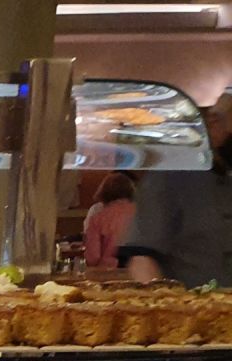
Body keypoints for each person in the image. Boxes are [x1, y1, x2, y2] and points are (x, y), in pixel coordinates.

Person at [121, 93, 232, 287]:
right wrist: (164, 300)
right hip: (196, 303)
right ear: (214, 124)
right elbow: (143, 259)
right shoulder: (171, 175)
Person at [82, 172, 136, 270]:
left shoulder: (98, 218)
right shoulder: (142, 215)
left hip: (108, 272)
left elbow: (93, 257)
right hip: (138, 271)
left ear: (103, 192)